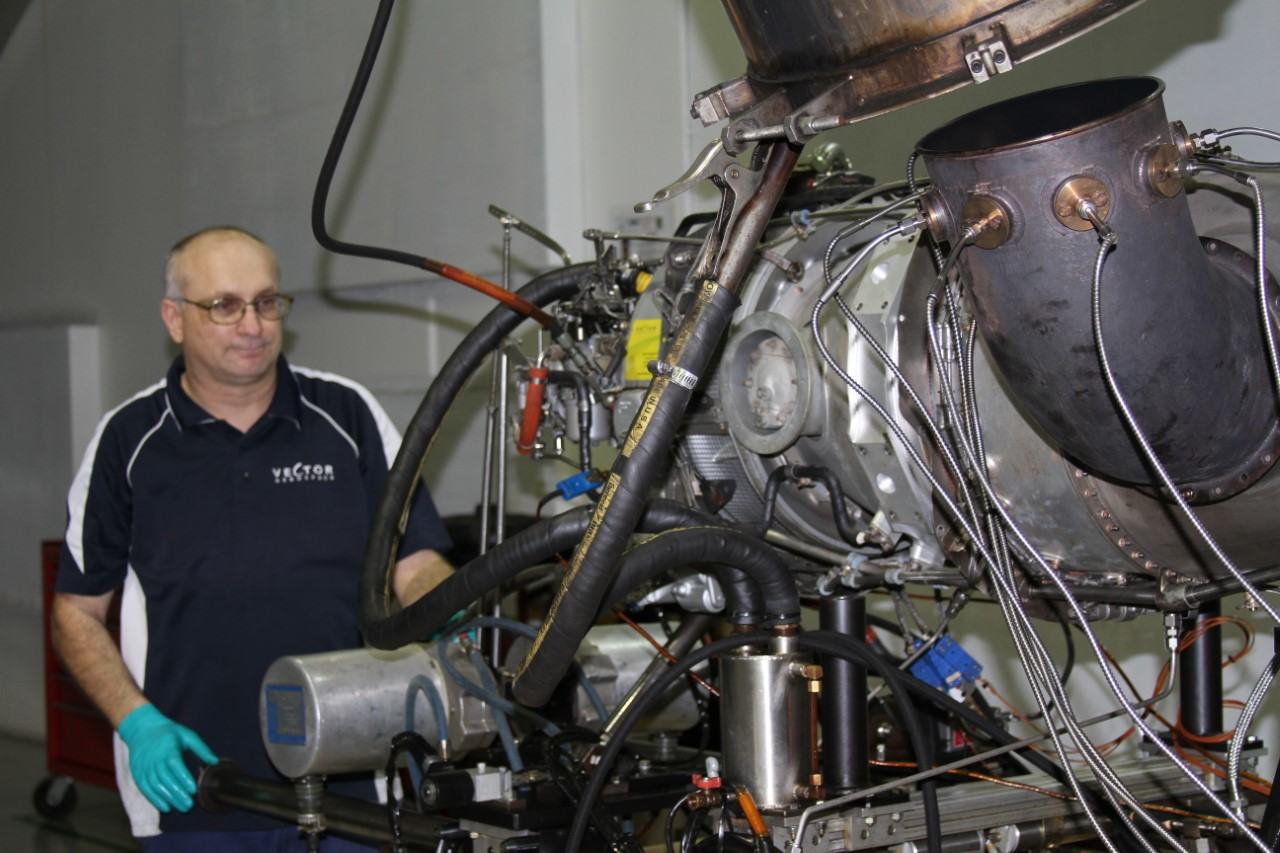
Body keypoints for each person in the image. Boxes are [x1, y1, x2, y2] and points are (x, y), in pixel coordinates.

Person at [52, 226, 454, 851]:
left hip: (353, 786)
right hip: (195, 792)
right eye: (224, 305)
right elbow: (77, 613)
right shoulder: (127, 441)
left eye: (267, 302)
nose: (253, 324)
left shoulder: (348, 416)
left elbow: (416, 562)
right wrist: (137, 722)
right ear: (174, 319)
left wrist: (447, 622)